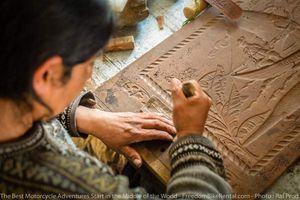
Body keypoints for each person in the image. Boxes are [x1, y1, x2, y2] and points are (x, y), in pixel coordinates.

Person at [0, 0, 232, 199]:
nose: (89, 74)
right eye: (90, 63)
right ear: (47, 75)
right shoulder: (71, 186)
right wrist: (191, 138)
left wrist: (80, 116)